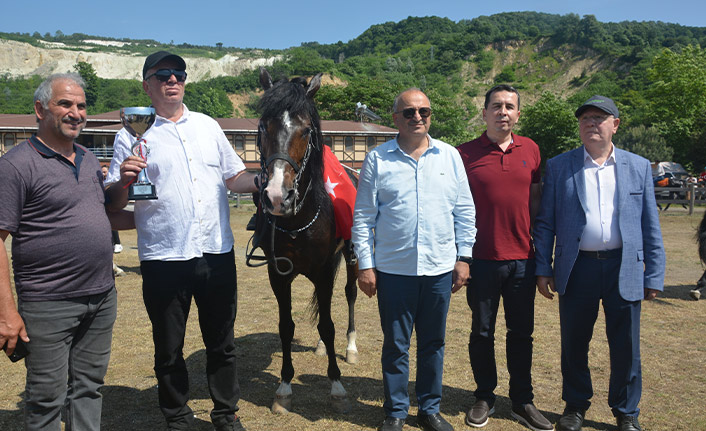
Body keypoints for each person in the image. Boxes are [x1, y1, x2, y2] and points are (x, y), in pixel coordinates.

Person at [105, 51, 259, 431]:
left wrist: (263, 181)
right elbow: (113, 202)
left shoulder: (208, 126)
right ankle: (177, 415)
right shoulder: (129, 133)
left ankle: (225, 413)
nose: (172, 80)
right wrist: (124, 179)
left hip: (216, 251)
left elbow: (233, 177)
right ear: (147, 85)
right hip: (163, 255)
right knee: (169, 346)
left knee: (222, 342)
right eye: (162, 75)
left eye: (179, 74)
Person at [0, 73, 131, 430]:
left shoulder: (88, 159)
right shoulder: (15, 165)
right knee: (46, 399)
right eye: (66, 104)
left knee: (88, 390)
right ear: (40, 109)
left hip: (101, 298)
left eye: (82, 105)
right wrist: (7, 314)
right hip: (48, 303)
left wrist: (129, 187)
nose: (76, 113)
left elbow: (105, 211)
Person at [533, 96, 665, 431]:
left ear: (615, 125)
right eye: (585, 119)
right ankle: (575, 406)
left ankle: (626, 412)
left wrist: (656, 273)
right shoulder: (560, 166)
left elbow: (650, 223)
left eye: (600, 118)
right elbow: (546, 222)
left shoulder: (637, 166)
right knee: (574, 342)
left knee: (626, 346)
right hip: (578, 268)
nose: (592, 123)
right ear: (579, 126)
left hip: (626, 266)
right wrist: (543, 267)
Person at [352, 88, 476, 431]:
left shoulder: (449, 156)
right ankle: (394, 412)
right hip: (394, 270)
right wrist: (365, 264)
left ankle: (429, 409)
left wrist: (463, 257)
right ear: (396, 119)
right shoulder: (378, 159)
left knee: (433, 343)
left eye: (424, 111)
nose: (417, 117)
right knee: (396, 345)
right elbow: (363, 217)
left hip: (439, 269)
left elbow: (464, 212)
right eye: (409, 112)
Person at [457, 85, 552, 431]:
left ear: (518, 114)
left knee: (521, 333)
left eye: (509, 107)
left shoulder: (532, 150)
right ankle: (484, 396)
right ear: (484, 113)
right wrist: (460, 257)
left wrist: (540, 253)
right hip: (481, 260)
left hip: (523, 261)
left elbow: (538, 204)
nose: (503, 112)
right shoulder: (463, 154)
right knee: (482, 332)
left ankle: (522, 401)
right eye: (496, 106)